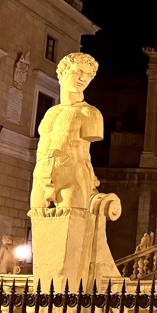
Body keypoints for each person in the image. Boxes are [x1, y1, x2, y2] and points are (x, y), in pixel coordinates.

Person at [30, 52, 103, 210]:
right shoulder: (50, 113)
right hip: (41, 172)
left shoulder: (90, 113)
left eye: (89, 75)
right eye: (79, 71)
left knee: (71, 224)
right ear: (63, 72)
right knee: (37, 220)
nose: (84, 78)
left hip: (72, 174)